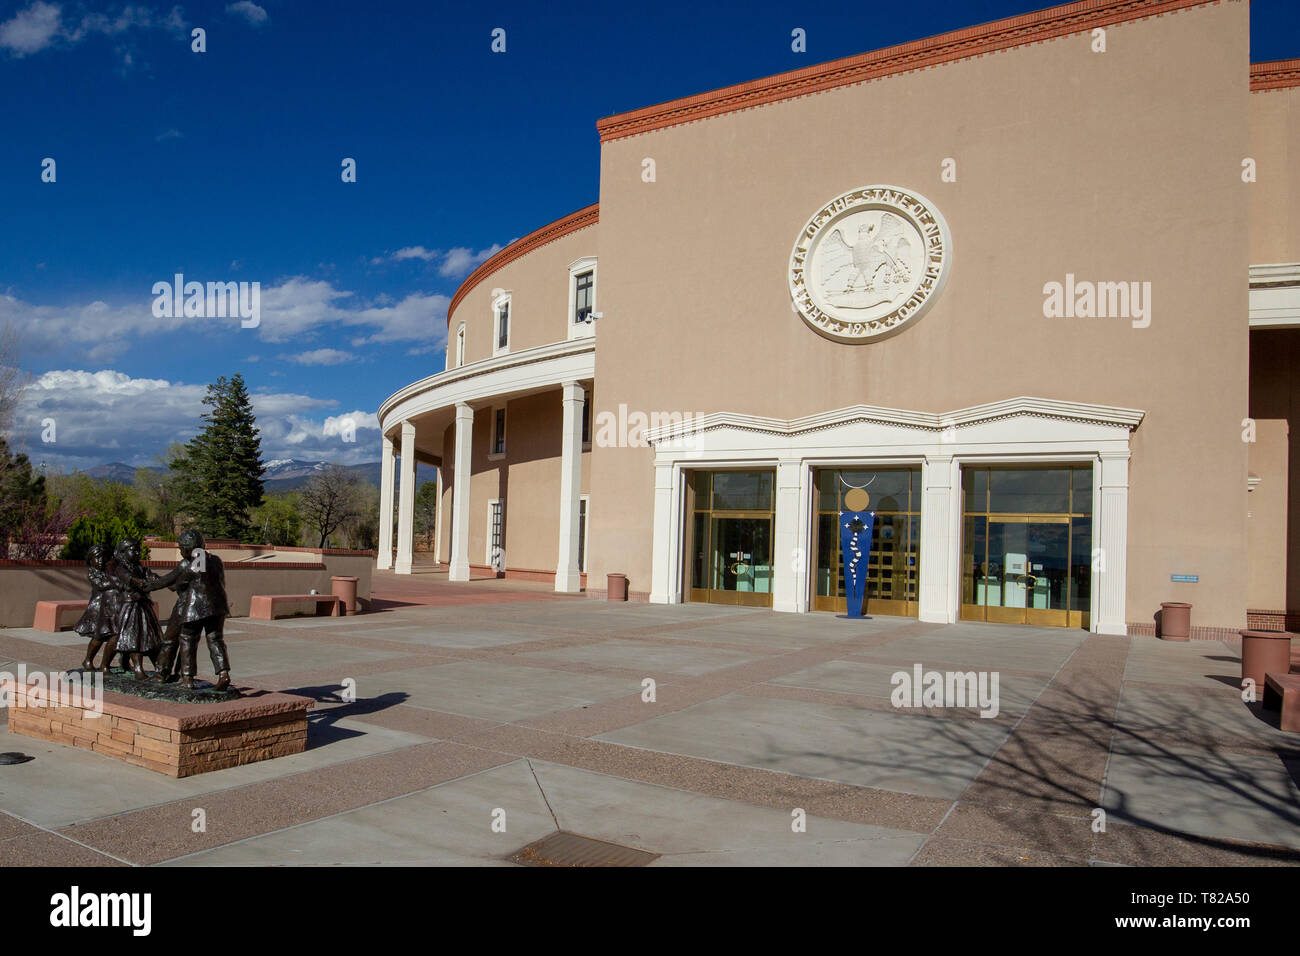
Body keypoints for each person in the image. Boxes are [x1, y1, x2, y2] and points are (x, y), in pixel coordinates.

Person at [148, 529, 232, 690]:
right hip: (218, 607)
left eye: (181, 548)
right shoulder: (216, 560)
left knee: (188, 639)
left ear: (187, 548)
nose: (180, 551)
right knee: (215, 640)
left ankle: (187, 678)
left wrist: (151, 584)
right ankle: (224, 674)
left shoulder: (190, 565)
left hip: (196, 609)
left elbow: (173, 583)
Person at [112, 538, 161, 679]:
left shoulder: (139, 567)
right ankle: (138, 668)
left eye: (138, 549)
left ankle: (159, 667)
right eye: (133, 550)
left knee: (150, 636)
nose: (138, 553)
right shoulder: (121, 568)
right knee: (134, 637)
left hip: (143, 605)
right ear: (123, 552)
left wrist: (167, 582)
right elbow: (130, 579)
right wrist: (141, 583)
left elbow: (152, 576)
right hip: (130, 606)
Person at [74, 544, 122, 671]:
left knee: (112, 635)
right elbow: (101, 585)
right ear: (91, 559)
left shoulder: (109, 571)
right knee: (98, 637)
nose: (100, 561)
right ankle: (88, 660)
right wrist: (117, 582)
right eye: (97, 558)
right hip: (98, 608)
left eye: (102, 558)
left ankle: (105, 663)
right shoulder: (92, 574)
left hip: (110, 608)